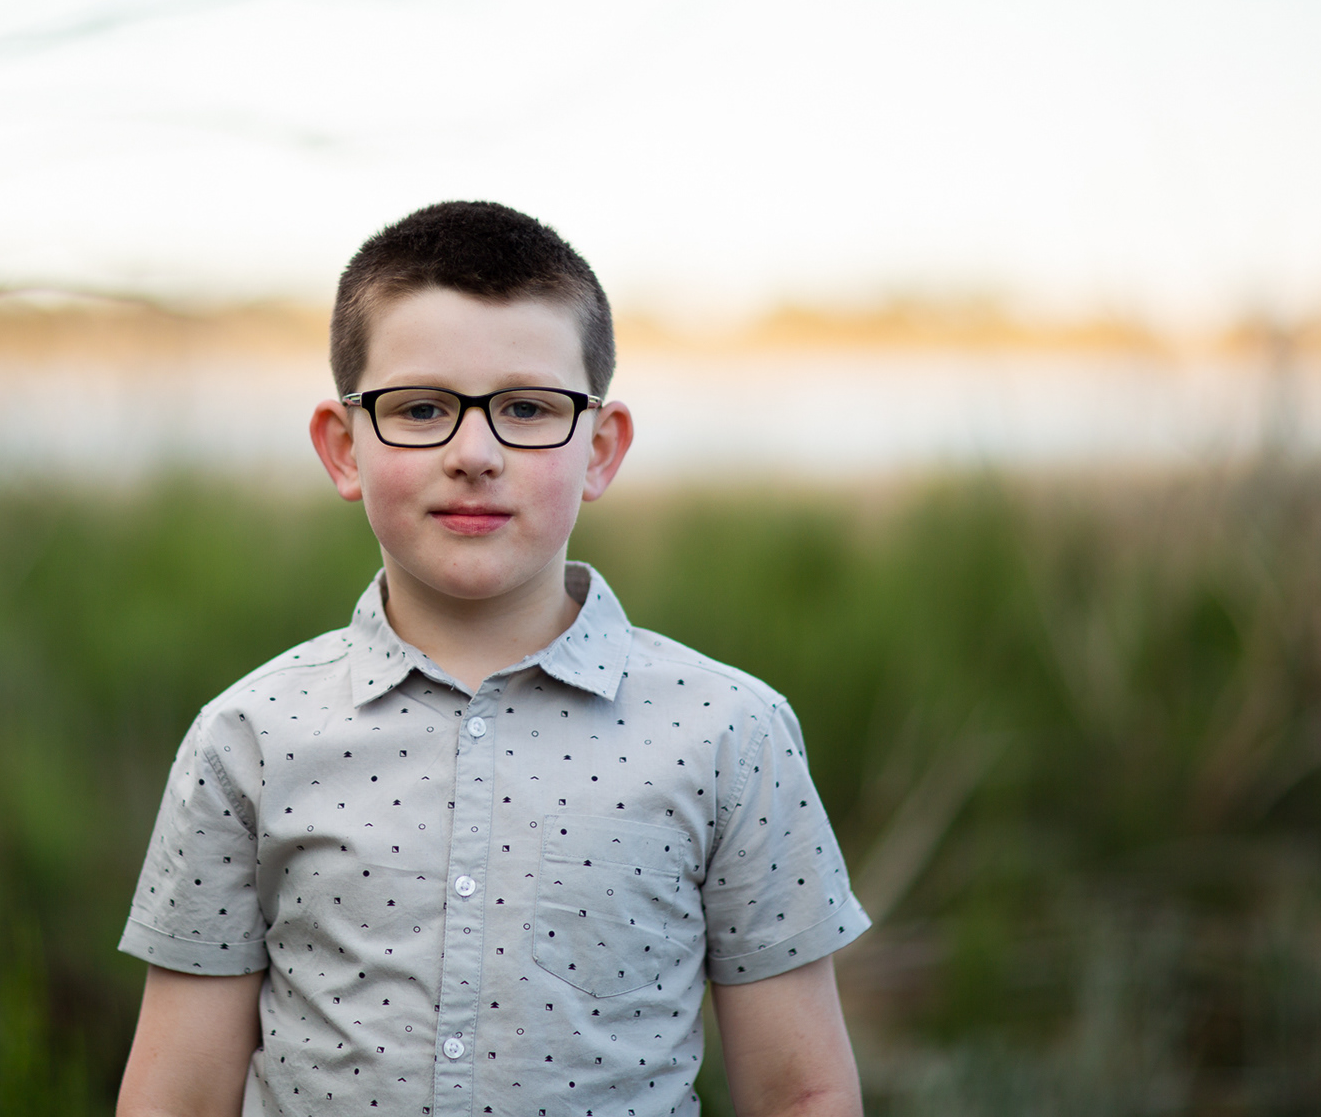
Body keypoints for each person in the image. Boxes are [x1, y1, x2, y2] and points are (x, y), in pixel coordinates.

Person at [115, 202, 869, 1117]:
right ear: (342, 445)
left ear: (601, 448)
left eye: (526, 408)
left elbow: (804, 1093)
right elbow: (177, 1098)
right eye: (422, 408)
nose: (475, 454)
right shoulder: (249, 738)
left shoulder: (730, 733)